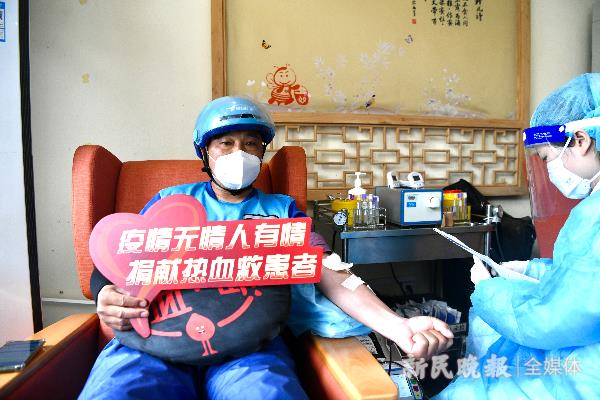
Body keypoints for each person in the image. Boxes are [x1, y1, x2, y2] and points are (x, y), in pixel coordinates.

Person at [79, 96, 453, 399]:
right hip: (153, 339)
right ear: (205, 152)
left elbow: (328, 270)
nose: (238, 153)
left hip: (249, 347)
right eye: (226, 143)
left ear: (261, 152)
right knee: (119, 391)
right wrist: (105, 293)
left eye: (251, 143)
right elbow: (117, 257)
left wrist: (396, 325)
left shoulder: (281, 211)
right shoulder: (171, 201)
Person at [435, 73, 600, 399]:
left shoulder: (594, 217)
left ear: (581, 140)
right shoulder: (592, 210)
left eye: (547, 158)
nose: (548, 170)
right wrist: (532, 270)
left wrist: (489, 291)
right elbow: (584, 281)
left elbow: (552, 319)